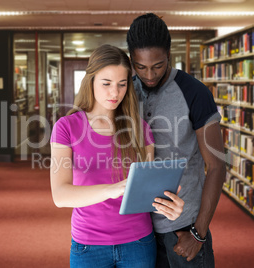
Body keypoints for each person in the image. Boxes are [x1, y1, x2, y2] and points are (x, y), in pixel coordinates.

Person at [50, 44, 184, 268]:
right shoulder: (67, 127)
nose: (115, 93)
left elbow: (147, 193)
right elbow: (61, 195)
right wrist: (112, 189)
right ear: (90, 80)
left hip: (138, 242)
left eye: (122, 84)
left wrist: (169, 207)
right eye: (106, 84)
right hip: (87, 245)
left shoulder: (140, 129)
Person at [126, 13, 226, 267]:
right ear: (131, 60)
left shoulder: (195, 92)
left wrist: (199, 233)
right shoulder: (125, 91)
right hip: (137, 228)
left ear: (169, 55)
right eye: (141, 66)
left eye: (158, 65)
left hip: (184, 227)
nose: (149, 74)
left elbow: (217, 166)